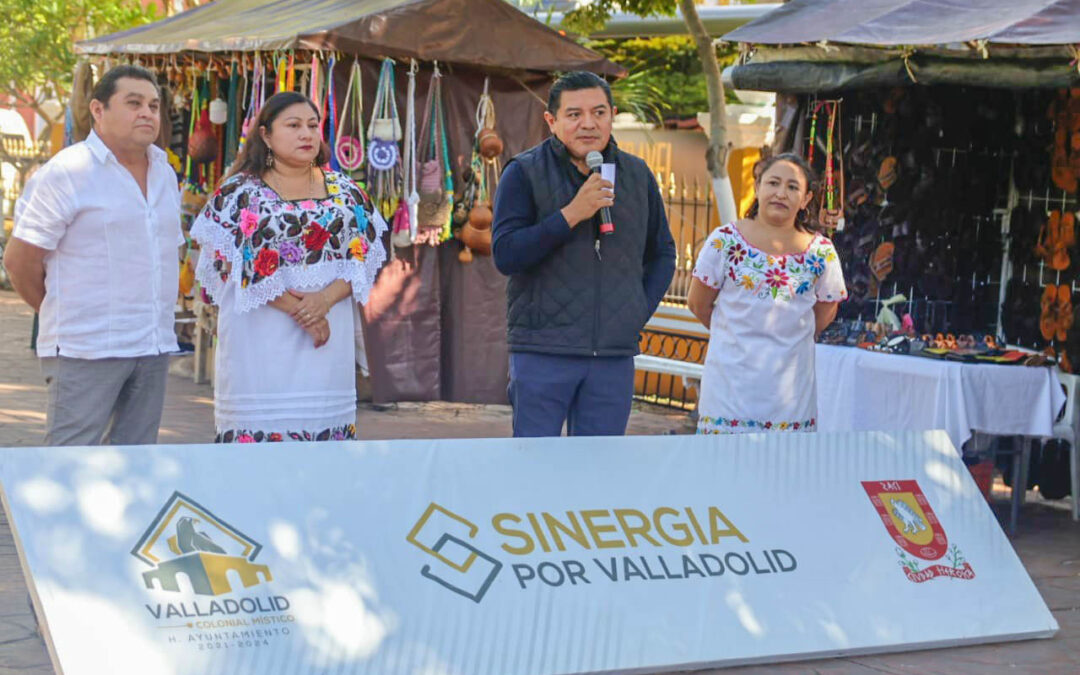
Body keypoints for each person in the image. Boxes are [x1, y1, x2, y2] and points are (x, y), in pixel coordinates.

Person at [190, 92, 386, 442]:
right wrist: (305, 312)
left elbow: (364, 259)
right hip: (261, 337)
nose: (306, 134)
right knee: (260, 442)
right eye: (293, 126)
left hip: (327, 341)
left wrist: (324, 301)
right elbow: (227, 266)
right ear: (265, 135)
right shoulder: (239, 194)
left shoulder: (347, 193)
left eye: (313, 125)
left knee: (324, 444)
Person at [4, 65, 182, 446]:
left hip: (152, 345)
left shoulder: (165, 172)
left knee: (136, 466)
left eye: (153, 105)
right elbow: (19, 260)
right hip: (85, 348)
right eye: (133, 103)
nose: (147, 113)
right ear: (98, 110)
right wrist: (59, 311)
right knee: (72, 466)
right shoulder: (68, 172)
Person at [492, 71, 676, 437]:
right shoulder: (523, 172)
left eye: (599, 113)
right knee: (535, 468)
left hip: (612, 355)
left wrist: (634, 312)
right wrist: (571, 214)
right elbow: (506, 254)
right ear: (552, 121)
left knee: (599, 476)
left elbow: (662, 254)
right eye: (574, 114)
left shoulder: (637, 175)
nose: (588, 124)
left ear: (612, 115)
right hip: (543, 350)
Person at [687, 153, 847, 434]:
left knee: (783, 473)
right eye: (773, 183)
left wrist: (784, 340)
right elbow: (698, 304)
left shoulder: (821, 252)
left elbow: (825, 313)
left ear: (807, 199)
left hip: (790, 398)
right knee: (722, 472)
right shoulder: (725, 241)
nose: (781, 194)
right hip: (728, 393)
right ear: (758, 186)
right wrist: (736, 337)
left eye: (793, 187)